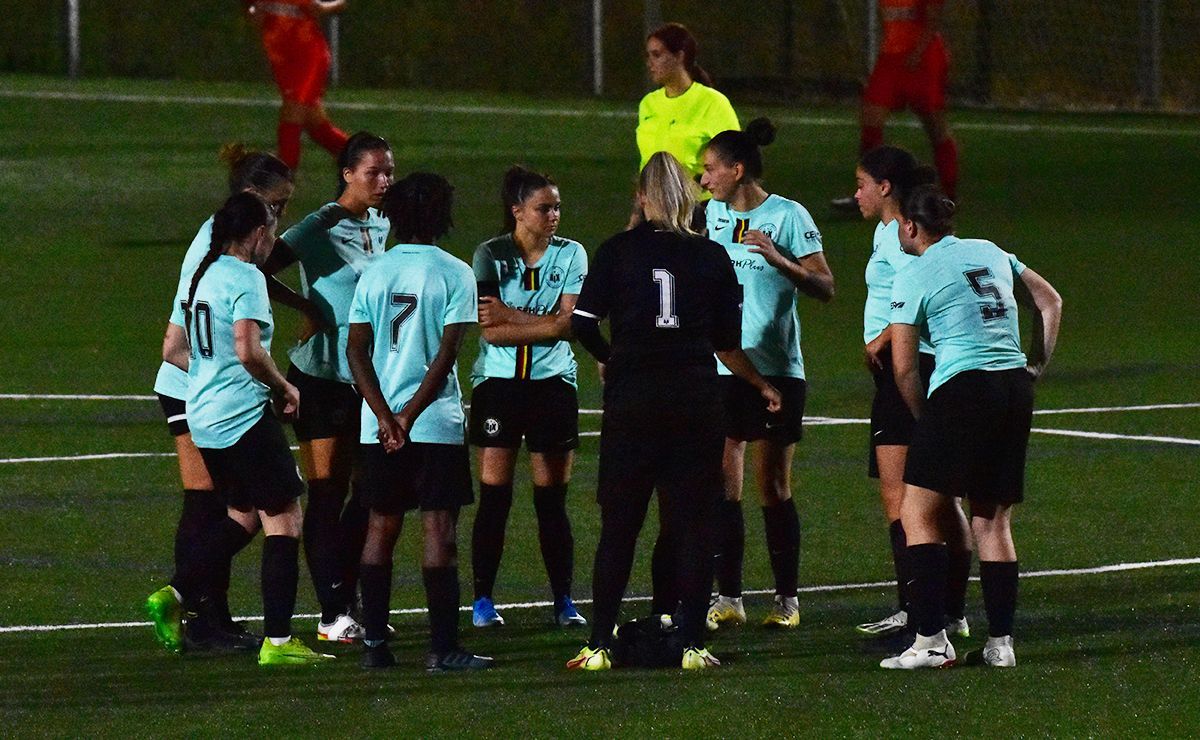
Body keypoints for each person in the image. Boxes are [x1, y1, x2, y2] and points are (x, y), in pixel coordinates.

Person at [566, 152, 782, 671]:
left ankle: (597, 645)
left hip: (633, 402)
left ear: (642, 196)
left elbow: (582, 324)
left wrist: (613, 359)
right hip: (694, 401)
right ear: (689, 196)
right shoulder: (712, 257)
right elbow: (728, 338)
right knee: (691, 524)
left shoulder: (616, 251)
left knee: (620, 524)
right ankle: (690, 644)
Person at [145, 192, 333, 667]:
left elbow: (173, 349)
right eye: (271, 231)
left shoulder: (202, 273)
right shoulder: (247, 277)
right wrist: (284, 386)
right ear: (255, 234)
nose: (272, 240)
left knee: (242, 515)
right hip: (241, 417)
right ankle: (278, 641)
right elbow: (249, 351)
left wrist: (213, 375)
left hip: (204, 415)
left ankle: (176, 592)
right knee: (286, 517)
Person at [880, 186, 1061, 669]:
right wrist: (1036, 366)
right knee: (993, 519)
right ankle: (1001, 643)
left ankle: (931, 640)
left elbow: (902, 370)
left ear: (912, 227)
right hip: (1012, 389)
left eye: (899, 223)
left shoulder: (913, 273)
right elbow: (1050, 302)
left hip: (963, 389)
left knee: (917, 511)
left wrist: (925, 417)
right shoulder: (990, 251)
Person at [346, 172, 493, 672]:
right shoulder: (454, 272)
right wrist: (409, 416)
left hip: (378, 426)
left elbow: (356, 352)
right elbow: (447, 355)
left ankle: (374, 648)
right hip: (433, 424)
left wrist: (385, 418)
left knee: (380, 526)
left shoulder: (374, 272)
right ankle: (442, 649)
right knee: (439, 529)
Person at [696, 119, 836, 632]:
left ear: (738, 170)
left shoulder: (788, 215)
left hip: (778, 368)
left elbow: (824, 286)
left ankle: (786, 599)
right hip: (722, 365)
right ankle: (728, 595)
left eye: (711, 169)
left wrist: (779, 260)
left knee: (772, 485)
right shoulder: (704, 215)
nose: (703, 178)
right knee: (722, 482)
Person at [262, 131, 394, 643]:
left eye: (389, 171)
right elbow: (257, 267)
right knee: (326, 492)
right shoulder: (319, 224)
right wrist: (306, 306)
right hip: (320, 378)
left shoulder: (382, 224)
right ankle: (331, 612)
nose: (384, 181)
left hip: (367, 379)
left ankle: (345, 591)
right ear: (347, 174)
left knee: (369, 491)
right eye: (373, 172)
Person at [851, 146, 972, 639]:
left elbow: (917, 287)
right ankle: (950, 610)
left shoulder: (905, 234)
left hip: (909, 367)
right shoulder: (891, 229)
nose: (855, 194)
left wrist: (882, 338)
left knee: (904, 499)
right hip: (907, 369)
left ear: (884, 187)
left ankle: (920, 610)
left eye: (860, 184)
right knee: (938, 499)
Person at [467, 166, 588, 629]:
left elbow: (570, 326)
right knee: (494, 497)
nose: (554, 215)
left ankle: (563, 600)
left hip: (553, 386)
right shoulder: (490, 255)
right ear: (518, 211)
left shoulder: (572, 254)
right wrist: (547, 325)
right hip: (498, 386)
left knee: (551, 500)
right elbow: (490, 332)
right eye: (544, 208)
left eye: (557, 206)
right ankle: (482, 601)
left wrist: (514, 316)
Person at [831, 0, 959, 211]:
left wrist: (917, 53)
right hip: (891, 57)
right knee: (871, 118)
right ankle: (869, 193)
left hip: (923, 56)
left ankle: (948, 195)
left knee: (935, 125)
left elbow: (933, 18)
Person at [631, 22, 739, 227]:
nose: (649, 63)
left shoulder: (712, 103)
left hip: (698, 213)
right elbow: (646, 164)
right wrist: (636, 216)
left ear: (679, 56)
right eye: (648, 56)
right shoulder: (648, 104)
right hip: (653, 212)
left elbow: (734, 159)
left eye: (657, 55)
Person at [244, 0, 351, 171]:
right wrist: (253, 13)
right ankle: (365, 163)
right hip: (280, 55)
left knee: (292, 114)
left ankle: (279, 180)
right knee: (316, 125)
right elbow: (253, 9)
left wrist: (324, 7)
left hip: (306, 54)